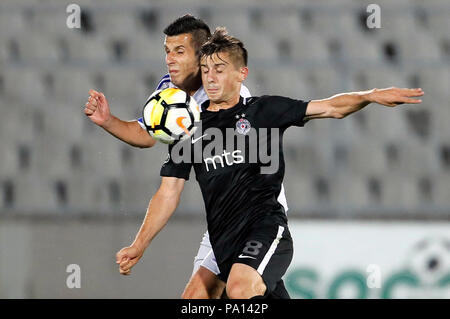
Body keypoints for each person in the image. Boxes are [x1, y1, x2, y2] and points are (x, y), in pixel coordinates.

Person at [114, 27, 424, 298]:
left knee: (239, 287)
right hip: (223, 241)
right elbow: (168, 193)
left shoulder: (264, 112)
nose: (210, 77)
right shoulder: (187, 128)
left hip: (265, 229)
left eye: (220, 69)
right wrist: (139, 245)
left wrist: (369, 95)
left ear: (241, 74)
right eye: (206, 69)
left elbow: (330, 108)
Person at [83, 15, 252, 299]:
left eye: (179, 51)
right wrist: (108, 120)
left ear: (202, 57)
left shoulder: (225, 101)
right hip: (222, 222)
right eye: (167, 51)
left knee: (228, 294)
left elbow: (172, 185)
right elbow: (149, 135)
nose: (169, 59)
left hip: (254, 218)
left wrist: (140, 244)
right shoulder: (171, 93)